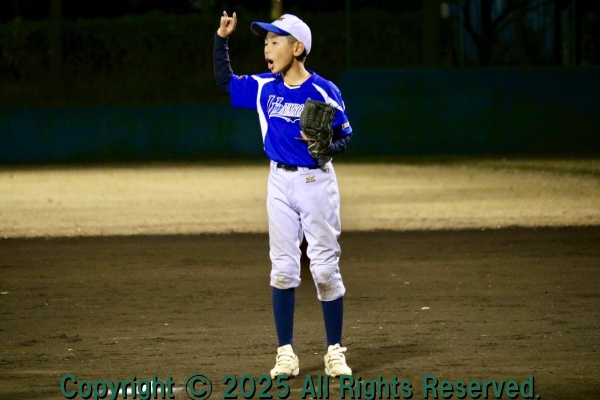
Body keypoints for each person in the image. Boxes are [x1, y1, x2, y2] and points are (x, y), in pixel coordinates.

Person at [213, 11, 353, 378]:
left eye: (275, 41)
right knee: (283, 269)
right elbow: (225, 82)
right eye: (265, 42)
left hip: (315, 183)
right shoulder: (264, 86)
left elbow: (345, 134)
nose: (266, 48)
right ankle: (286, 353)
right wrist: (221, 39)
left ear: (298, 48)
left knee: (324, 269)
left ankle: (334, 351)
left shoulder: (323, 90)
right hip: (278, 182)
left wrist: (327, 147)